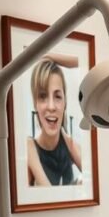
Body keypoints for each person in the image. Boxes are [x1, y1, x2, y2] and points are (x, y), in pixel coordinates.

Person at [26, 55, 82, 186]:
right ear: (35, 104)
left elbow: (96, 178)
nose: (51, 106)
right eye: (43, 96)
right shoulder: (30, 149)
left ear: (65, 103)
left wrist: (46, 54)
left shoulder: (69, 144)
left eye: (57, 96)